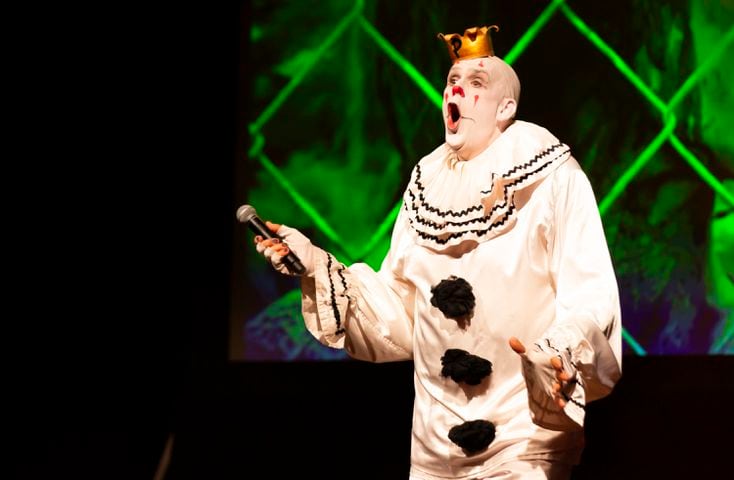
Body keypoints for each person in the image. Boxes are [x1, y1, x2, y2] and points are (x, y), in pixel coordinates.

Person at [251, 25, 622, 480]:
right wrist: (313, 264)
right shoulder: (426, 183)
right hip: (434, 443)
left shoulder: (550, 177)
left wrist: (561, 355)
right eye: (451, 83)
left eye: (476, 84)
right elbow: (402, 317)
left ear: (506, 107)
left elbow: (590, 293)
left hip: (522, 436)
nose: (457, 90)